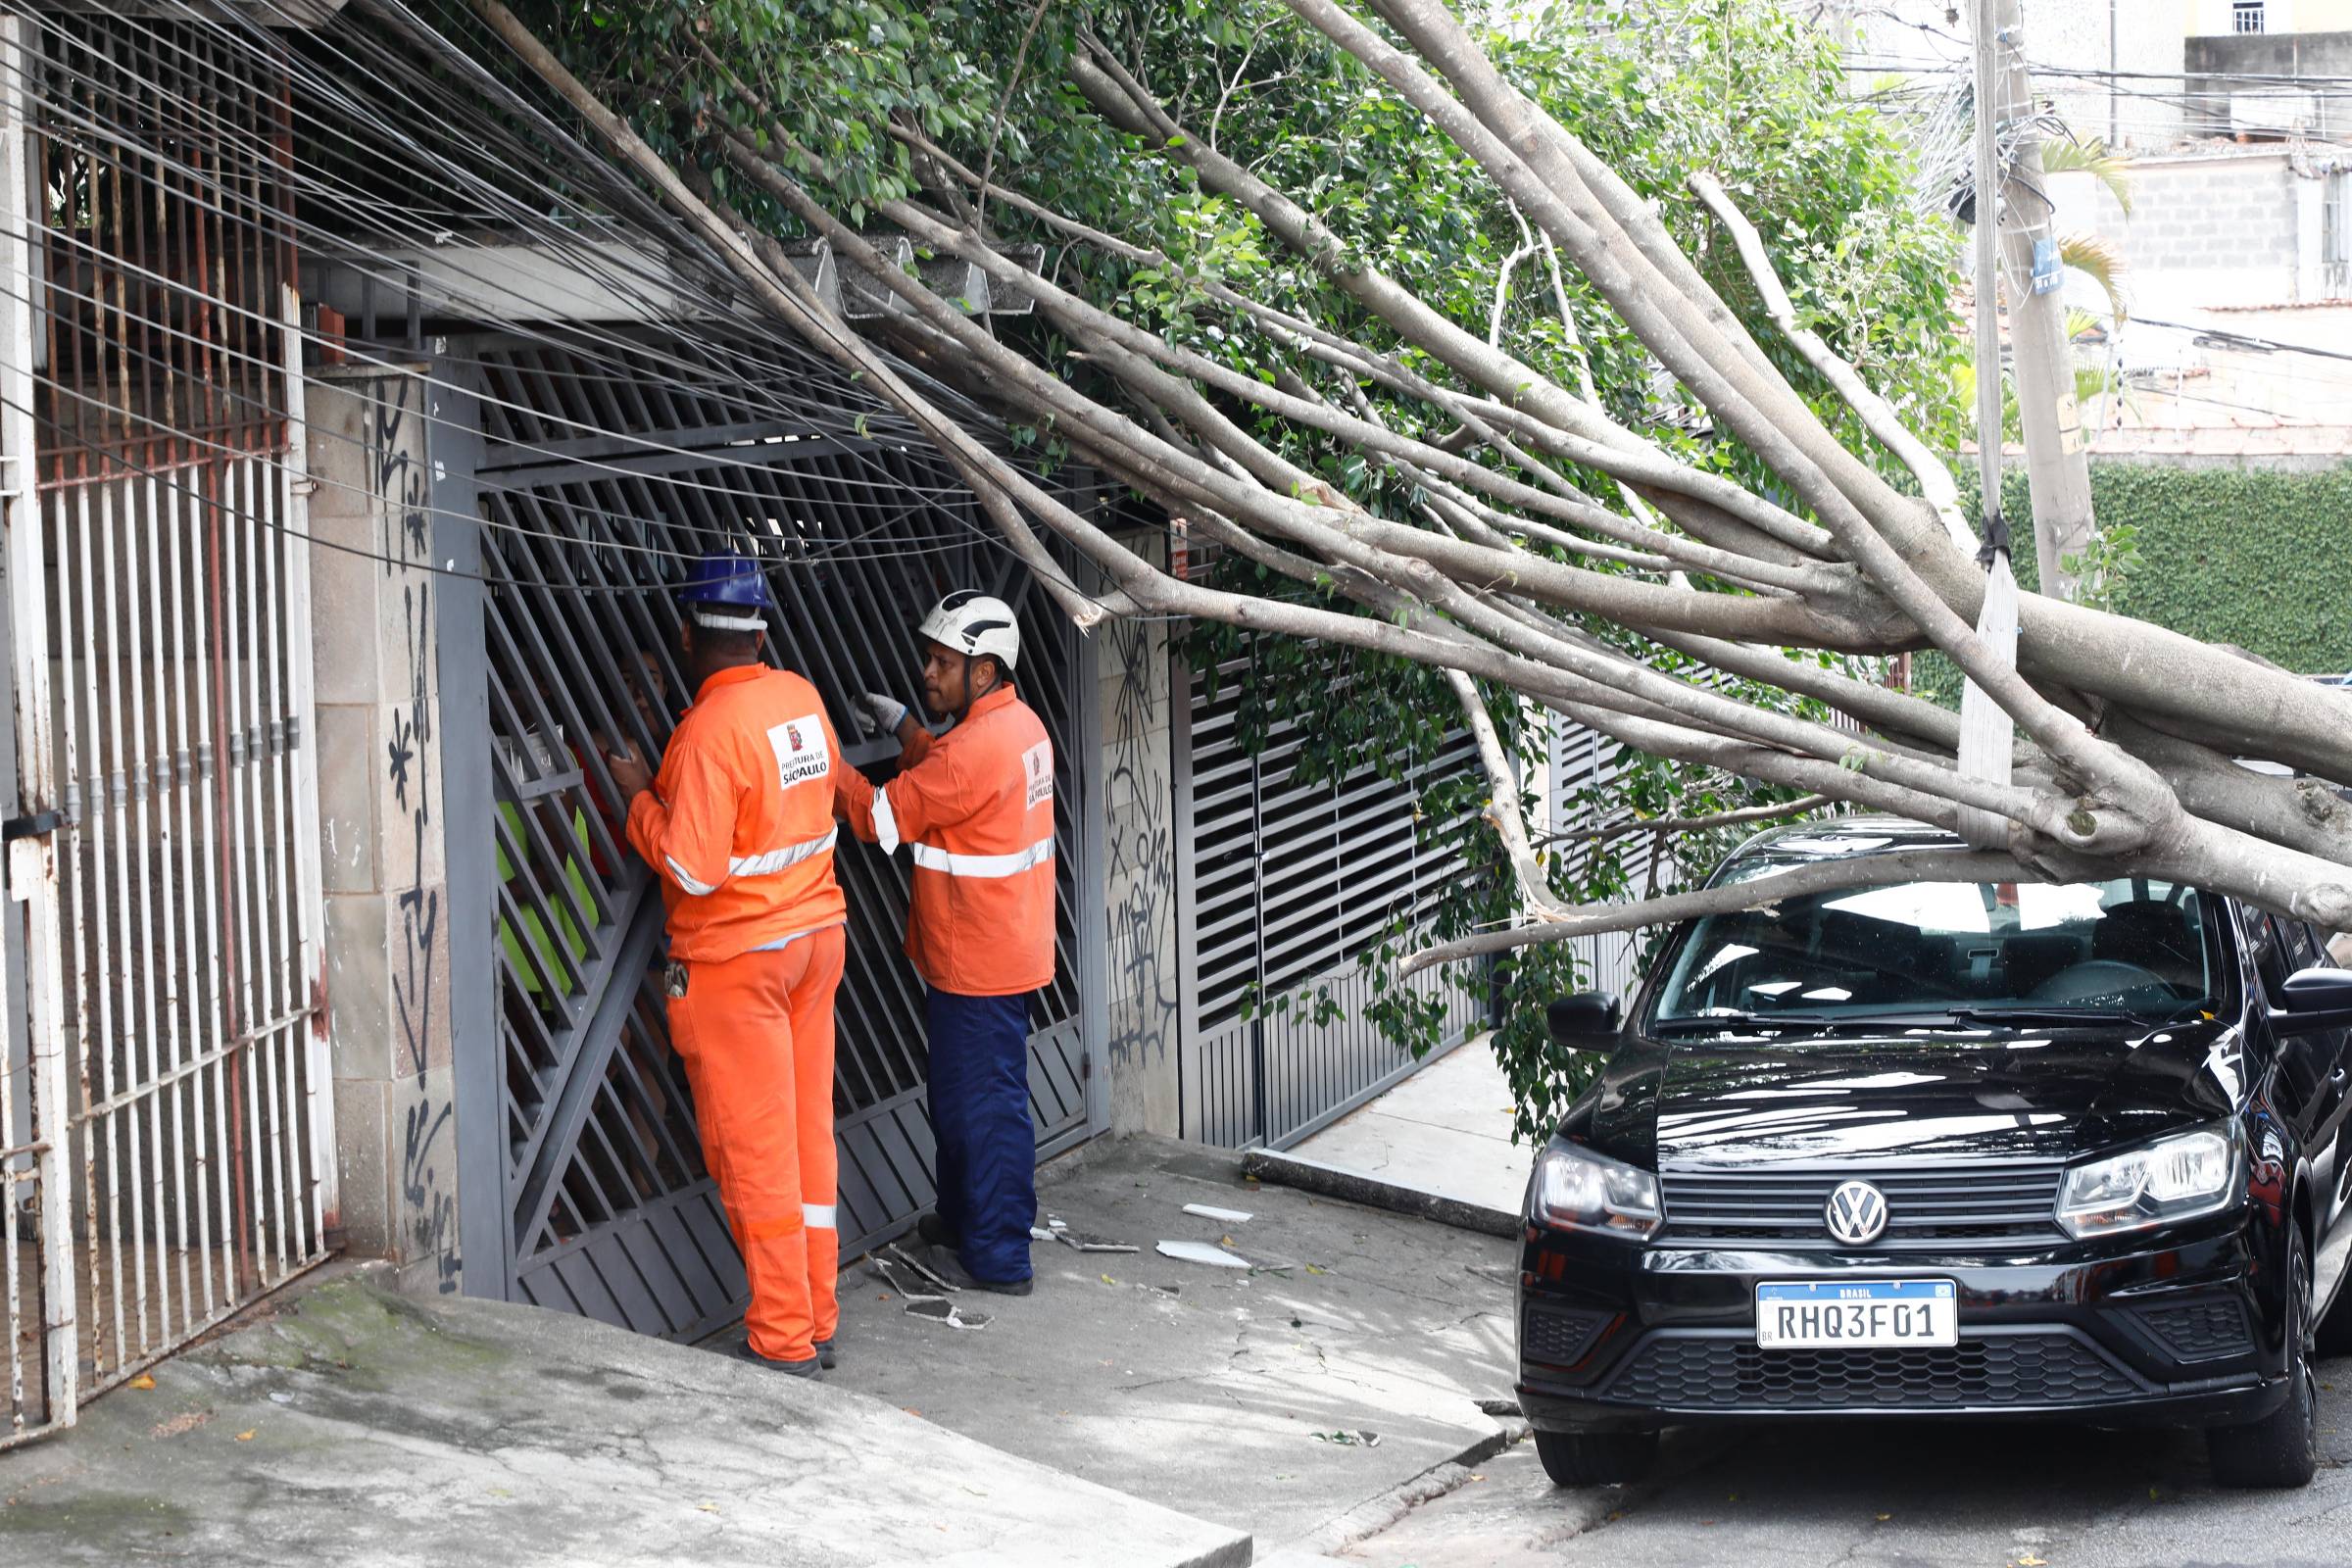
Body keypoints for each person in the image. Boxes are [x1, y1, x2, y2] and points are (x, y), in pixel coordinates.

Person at [604, 553, 851, 1376]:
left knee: (756, 1151)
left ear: (686, 633)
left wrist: (640, 797)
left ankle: (782, 1339)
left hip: (739, 959)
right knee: (808, 1134)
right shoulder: (800, 700)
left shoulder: (707, 733)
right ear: (761, 631)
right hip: (816, 939)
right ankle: (817, 1311)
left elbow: (693, 867)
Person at [837, 589, 1055, 1297]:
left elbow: (877, 817)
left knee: (981, 1111)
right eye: (927, 659)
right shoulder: (1019, 729)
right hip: (1003, 948)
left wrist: (819, 758)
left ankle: (998, 1258)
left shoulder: (971, 752)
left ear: (984, 672)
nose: (926, 673)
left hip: (975, 964)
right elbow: (955, 776)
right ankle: (966, 1221)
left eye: (941, 663)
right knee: (970, 1101)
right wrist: (908, 733)